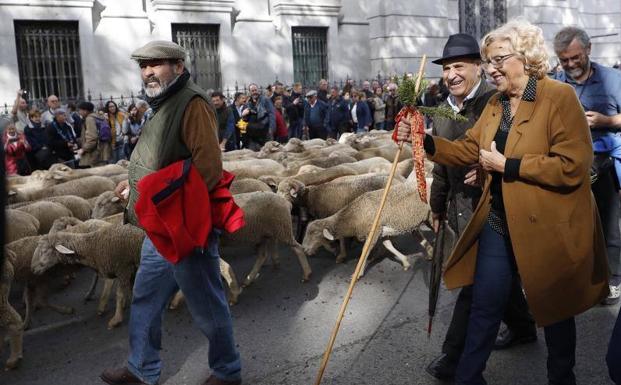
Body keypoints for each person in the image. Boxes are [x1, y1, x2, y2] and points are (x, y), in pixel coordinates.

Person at [396, 20, 609, 385]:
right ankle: (468, 376)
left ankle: (562, 378)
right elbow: (467, 149)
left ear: (525, 58)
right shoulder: (496, 104)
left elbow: (574, 166)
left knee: (556, 312)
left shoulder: (558, 98)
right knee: (484, 304)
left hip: (547, 225)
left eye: (498, 59)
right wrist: (424, 141)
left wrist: (507, 165)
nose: (491, 67)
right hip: (499, 220)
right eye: (488, 60)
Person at [100, 40, 241, 385]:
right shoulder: (162, 102)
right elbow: (162, 157)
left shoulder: (191, 103)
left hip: (185, 225)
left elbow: (207, 168)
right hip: (160, 226)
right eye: (143, 66)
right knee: (145, 297)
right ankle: (141, 368)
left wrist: (150, 190)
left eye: (156, 64)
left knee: (207, 304)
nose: (148, 71)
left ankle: (227, 371)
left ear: (178, 66)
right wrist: (133, 182)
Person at [424, 33, 536, 381]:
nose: (451, 74)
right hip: (459, 205)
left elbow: (519, 146)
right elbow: (443, 163)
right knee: (495, 279)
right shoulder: (442, 109)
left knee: (476, 283)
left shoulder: (496, 100)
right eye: (446, 68)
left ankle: (454, 358)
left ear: (477, 68)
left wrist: (489, 166)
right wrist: (437, 205)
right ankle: (523, 326)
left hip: (495, 205)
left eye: (459, 66)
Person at [552, 26, 621, 305]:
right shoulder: (555, 85)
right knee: (571, 226)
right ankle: (578, 278)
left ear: (588, 50)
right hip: (568, 165)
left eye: (575, 57)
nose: (570, 64)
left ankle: (613, 279)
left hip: (605, 165)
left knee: (608, 226)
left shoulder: (613, 79)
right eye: (564, 59)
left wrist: (606, 122)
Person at [244, 83, 274, 150]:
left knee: (268, 152)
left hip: (265, 131)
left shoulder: (265, 100)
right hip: (253, 133)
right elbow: (245, 119)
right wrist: (244, 115)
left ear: (258, 90)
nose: (254, 92)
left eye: (255, 90)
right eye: (252, 91)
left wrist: (271, 129)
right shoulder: (248, 103)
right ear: (250, 92)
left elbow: (271, 114)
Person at [76, 101, 104, 168]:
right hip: (102, 150)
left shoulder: (89, 119)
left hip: (94, 153)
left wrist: (83, 149)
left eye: (80, 110)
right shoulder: (98, 117)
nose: (79, 112)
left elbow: (92, 137)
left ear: (85, 111)